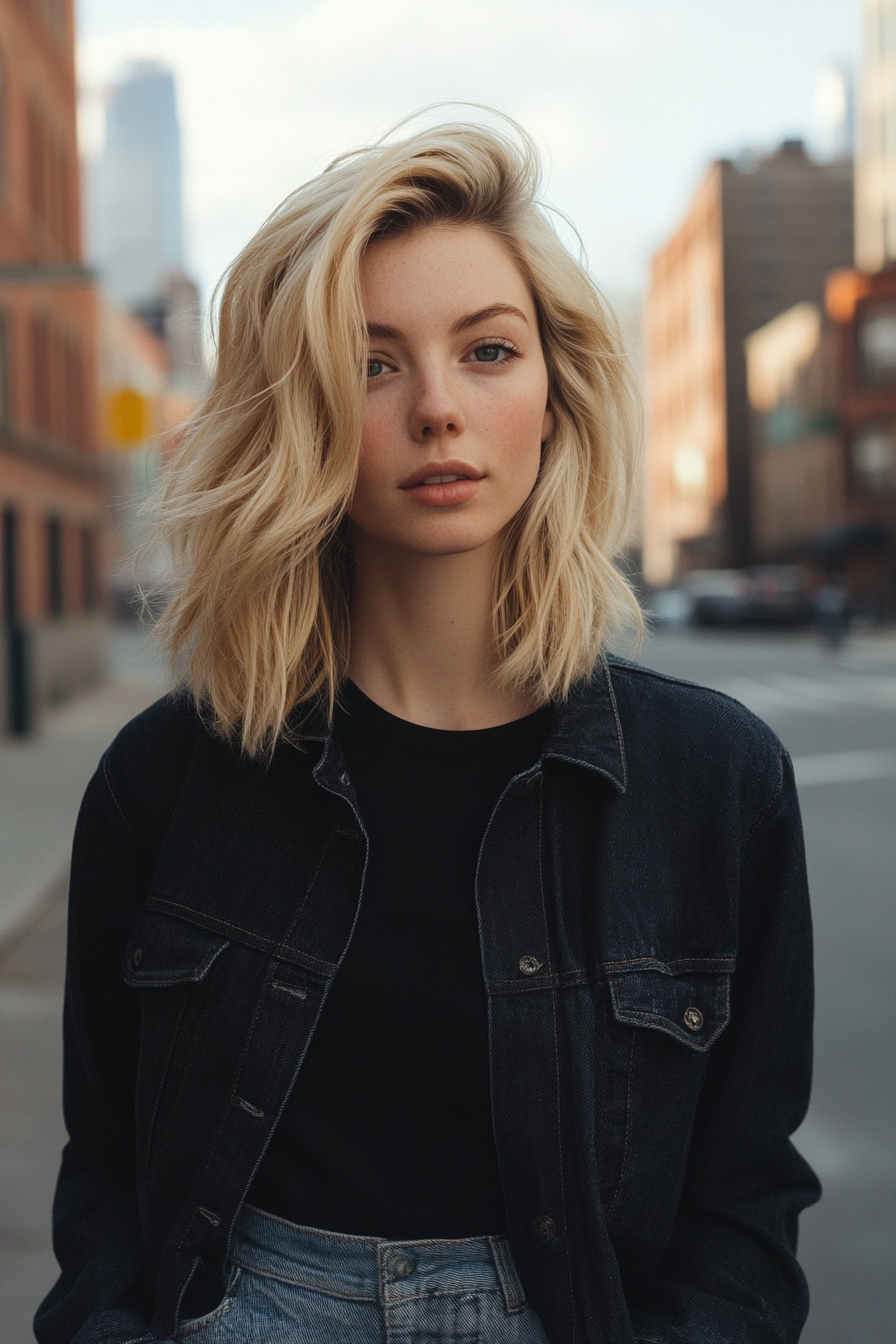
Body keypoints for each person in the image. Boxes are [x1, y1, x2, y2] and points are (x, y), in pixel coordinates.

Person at [36, 115, 819, 1344]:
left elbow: (745, 1206)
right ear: (299, 418)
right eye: (372, 364)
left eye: (488, 351)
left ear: (554, 397)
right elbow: (104, 1182)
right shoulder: (165, 778)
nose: (439, 410)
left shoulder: (714, 778)